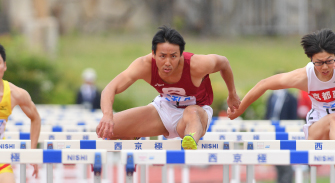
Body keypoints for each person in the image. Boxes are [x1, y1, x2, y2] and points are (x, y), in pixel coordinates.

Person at [227, 28, 335, 183]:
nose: (325, 67)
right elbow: (265, 84)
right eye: (318, 62)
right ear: (310, 59)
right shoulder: (306, 76)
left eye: (329, 61)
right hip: (318, 132)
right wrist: (240, 109)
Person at [96, 25, 240, 149]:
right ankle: (131, 152)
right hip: (164, 109)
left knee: (191, 113)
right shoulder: (144, 65)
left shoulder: (198, 64)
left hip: (196, 112)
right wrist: (107, 115)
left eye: (173, 56)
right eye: (162, 56)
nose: (167, 62)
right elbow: (110, 88)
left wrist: (232, 94)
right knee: (108, 129)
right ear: (153, 54)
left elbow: (224, 63)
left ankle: (189, 143)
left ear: (181, 55)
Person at [0, 44, 40, 183]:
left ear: (5, 66)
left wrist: (32, 152)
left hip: (1, 159)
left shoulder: (15, 94)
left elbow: (35, 118)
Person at [265, 88, 297, 183]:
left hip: (286, 131)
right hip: (272, 131)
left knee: (285, 159)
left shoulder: (291, 97)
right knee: (276, 159)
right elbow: (268, 113)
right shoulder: (271, 96)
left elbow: (293, 115)